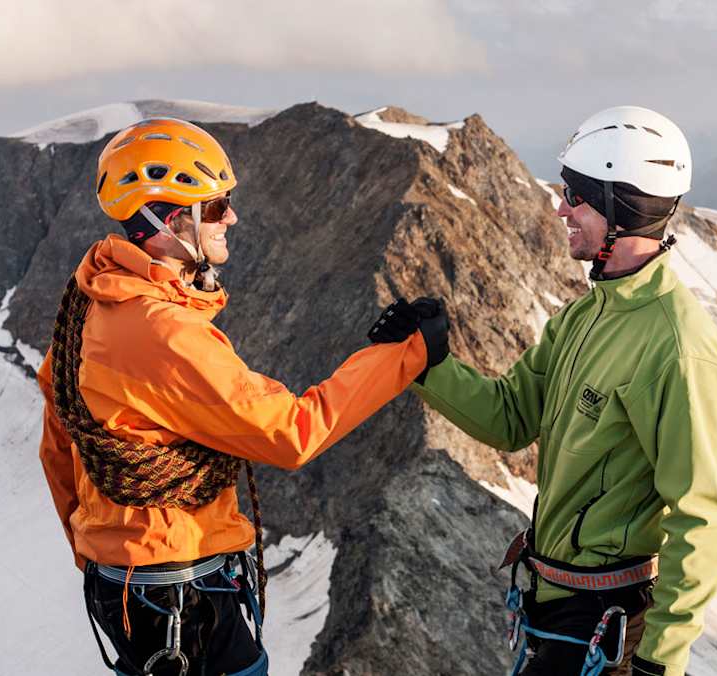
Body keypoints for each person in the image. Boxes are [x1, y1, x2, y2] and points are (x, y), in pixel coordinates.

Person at [37, 117, 443, 676]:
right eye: (213, 206)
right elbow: (292, 432)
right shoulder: (163, 330)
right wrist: (407, 353)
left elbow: (59, 444)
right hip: (182, 590)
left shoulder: (91, 299)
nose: (231, 216)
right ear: (166, 218)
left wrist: (100, 547)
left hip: (129, 585)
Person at [403, 106, 717, 675]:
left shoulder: (677, 347)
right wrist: (427, 362)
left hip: (608, 630)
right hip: (561, 616)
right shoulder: (583, 317)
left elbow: (703, 516)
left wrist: (658, 664)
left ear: (622, 207)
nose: (560, 208)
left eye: (576, 196)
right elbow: (509, 419)